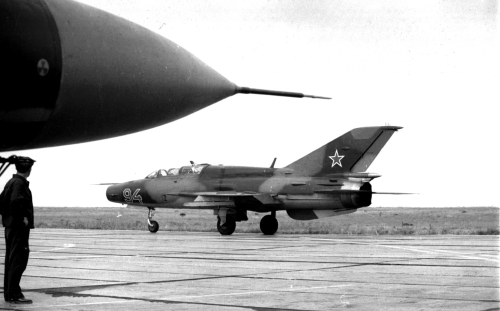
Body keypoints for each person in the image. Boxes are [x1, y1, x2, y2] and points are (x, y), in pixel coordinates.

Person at [1, 156, 35, 304]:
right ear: (28, 169)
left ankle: (10, 293)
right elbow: (15, 201)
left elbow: (1, 202)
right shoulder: (19, 184)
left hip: (10, 227)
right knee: (18, 260)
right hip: (18, 228)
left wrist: (8, 218)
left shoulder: (10, 182)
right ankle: (14, 294)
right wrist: (21, 218)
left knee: (11, 260)